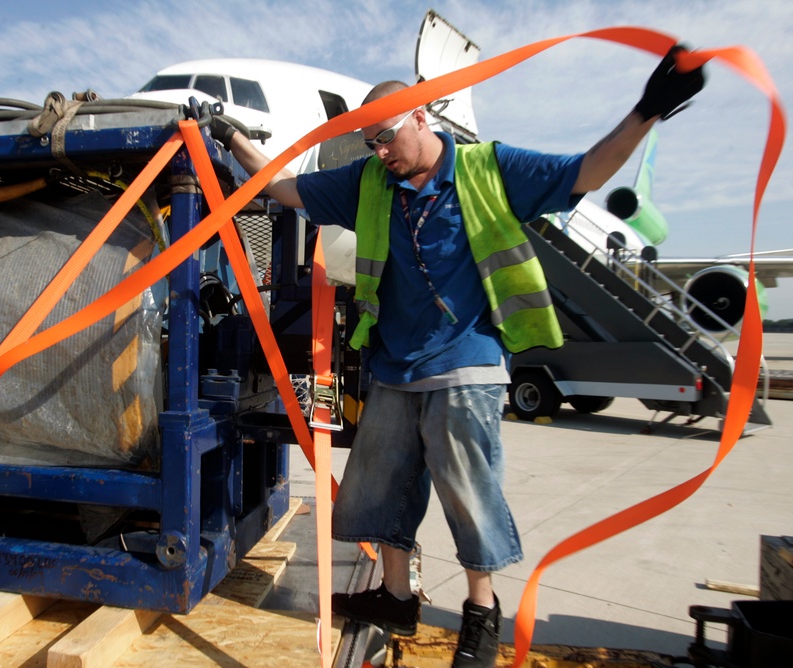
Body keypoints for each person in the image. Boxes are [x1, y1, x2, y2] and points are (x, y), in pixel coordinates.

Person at [213, 45, 704, 667]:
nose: (380, 151)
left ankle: (480, 615)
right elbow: (283, 186)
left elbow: (585, 172)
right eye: (370, 143)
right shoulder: (370, 181)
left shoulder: (487, 169)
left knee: (468, 491)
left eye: (386, 137)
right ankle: (396, 596)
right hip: (394, 364)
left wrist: (646, 112)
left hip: (467, 360)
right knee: (374, 487)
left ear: (422, 117)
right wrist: (227, 135)